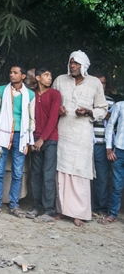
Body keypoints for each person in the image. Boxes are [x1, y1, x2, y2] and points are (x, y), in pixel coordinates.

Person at [52, 50, 108, 227]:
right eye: (71, 62)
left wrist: (89, 111)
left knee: (80, 173)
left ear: (84, 65)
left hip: (82, 135)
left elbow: (103, 108)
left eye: (76, 63)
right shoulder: (60, 80)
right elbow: (51, 102)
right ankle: (61, 210)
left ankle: (79, 213)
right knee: (61, 171)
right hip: (63, 132)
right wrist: (57, 110)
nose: (73, 66)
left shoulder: (94, 84)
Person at [0, 65, 35, 218]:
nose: (12, 75)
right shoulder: (1, 90)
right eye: (10, 72)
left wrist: (29, 137)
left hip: (20, 136)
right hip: (3, 134)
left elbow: (31, 118)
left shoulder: (29, 95)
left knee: (17, 172)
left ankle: (14, 205)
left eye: (15, 73)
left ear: (23, 76)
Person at [26, 68, 61, 223]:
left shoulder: (55, 94)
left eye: (50, 75)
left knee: (48, 175)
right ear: (38, 78)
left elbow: (53, 118)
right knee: (35, 175)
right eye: (46, 75)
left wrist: (42, 139)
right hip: (35, 140)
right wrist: (32, 139)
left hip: (50, 140)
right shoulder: (31, 94)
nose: (50, 78)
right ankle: (36, 206)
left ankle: (49, 211)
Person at [91, 73, 115, 218]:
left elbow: (116, 124)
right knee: (83, 176)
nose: (101, 85)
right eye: (98, 82)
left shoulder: (111, 102)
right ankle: (84, 206)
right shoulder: (87, 99)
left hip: (103, 145)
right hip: (86, 142)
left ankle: (99, 207)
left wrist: (109, 117)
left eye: (104, 83)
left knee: (102, 177)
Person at [100, 101, 124, 224]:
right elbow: (110, 125)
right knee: (116, 185)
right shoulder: (120, 105)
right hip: (119, 150)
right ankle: (113, 214)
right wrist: (108, 148)